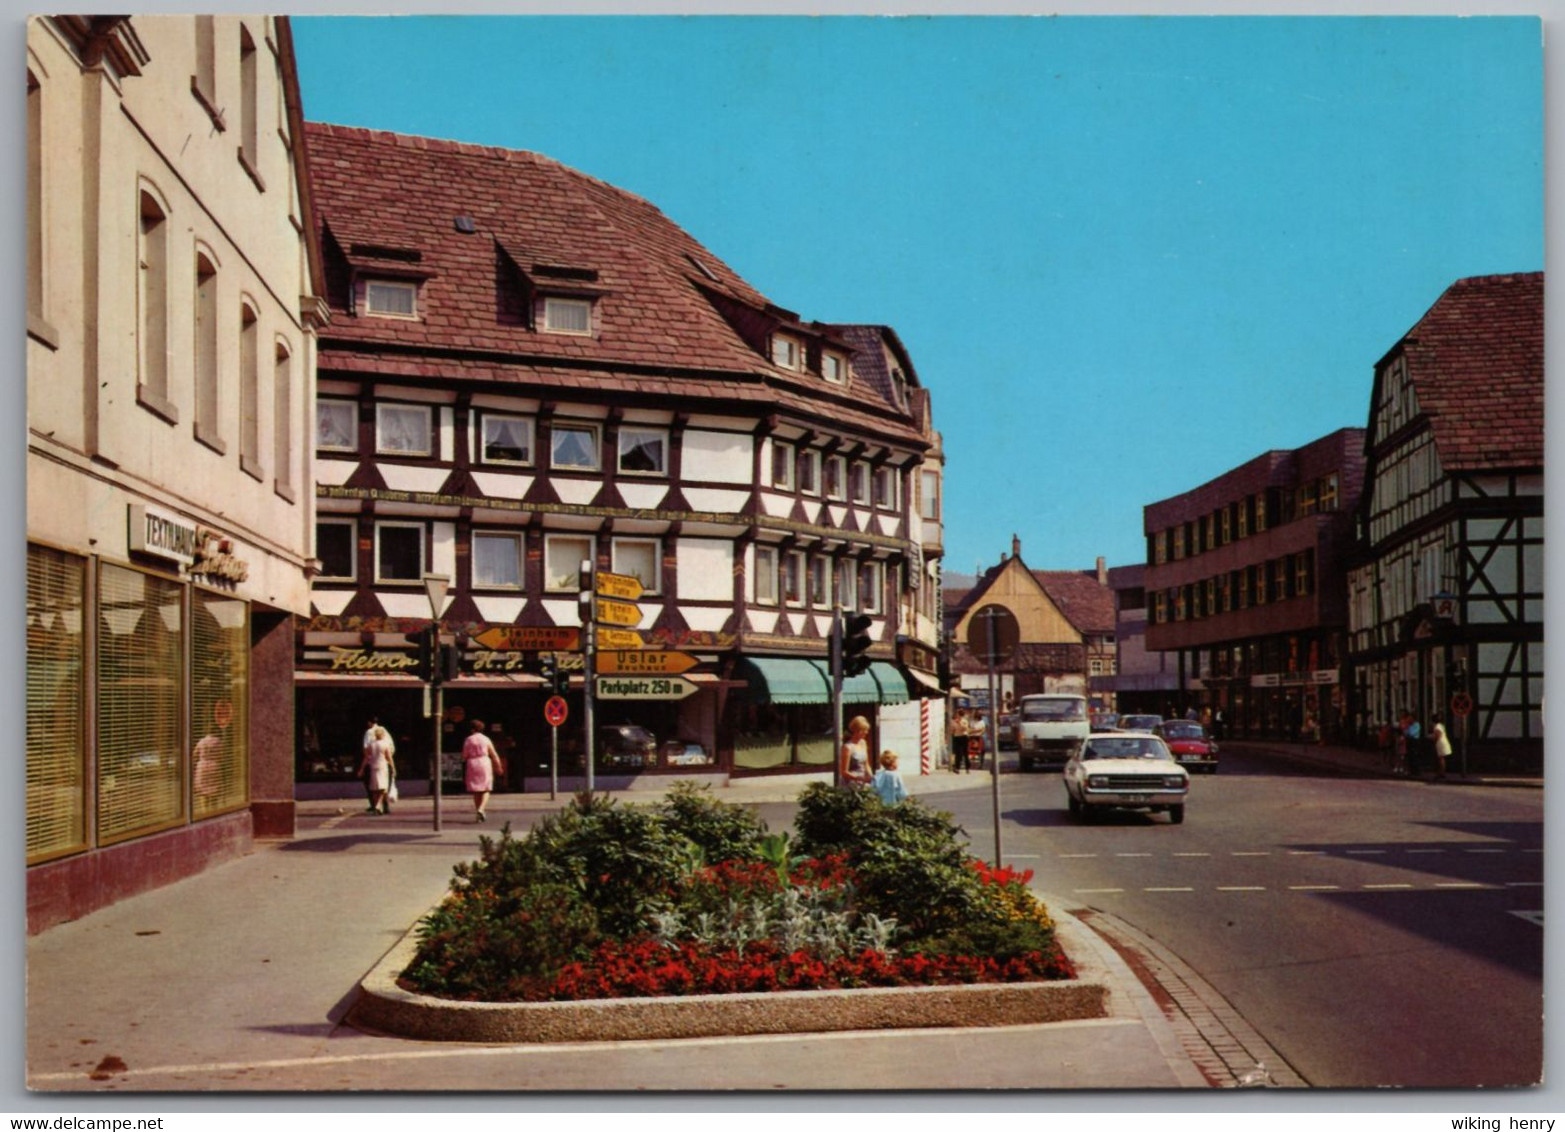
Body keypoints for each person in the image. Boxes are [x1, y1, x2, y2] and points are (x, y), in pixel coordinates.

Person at [463, 719, 504, 822]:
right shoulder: (486, 739)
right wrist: (498, 766)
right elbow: (493, 754)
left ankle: (478, 812)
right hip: (484, 762)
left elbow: (464, 755)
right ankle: (481, 809)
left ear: (472, 729)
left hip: (472, 763)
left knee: (476, 789)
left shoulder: (468, 740)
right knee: (486, 788)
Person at [359, 725, 393, 815]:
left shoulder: (371, 745)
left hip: (373, 767)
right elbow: (389, 757)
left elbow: (366, 757)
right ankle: (380, 806)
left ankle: (377, 807)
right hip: (383, 767)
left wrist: (361, 769)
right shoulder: (385, 744)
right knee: (383, 788)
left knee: (374, 789)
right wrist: (393, 767)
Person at [840, 715, 874, 787]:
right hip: (850, 784)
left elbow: (866, 764)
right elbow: (844, 772)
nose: (866, 732)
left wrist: (871, 777)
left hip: (862, 782)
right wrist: (858, 778)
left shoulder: (863, 743)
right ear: (857, 730)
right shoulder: (848, 747)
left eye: (867, 730)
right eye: (864, 730)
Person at [950, 707, 971, 774]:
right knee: (958, 753)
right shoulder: (954, 721)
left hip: (964, 737)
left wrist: (959, 723)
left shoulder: (965, 721)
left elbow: (965, 729)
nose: (957, 715)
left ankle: (967, 768)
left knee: (965, 753)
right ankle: (957, 768)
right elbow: (952, 730)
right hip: (957, 737)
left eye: (958, 714)